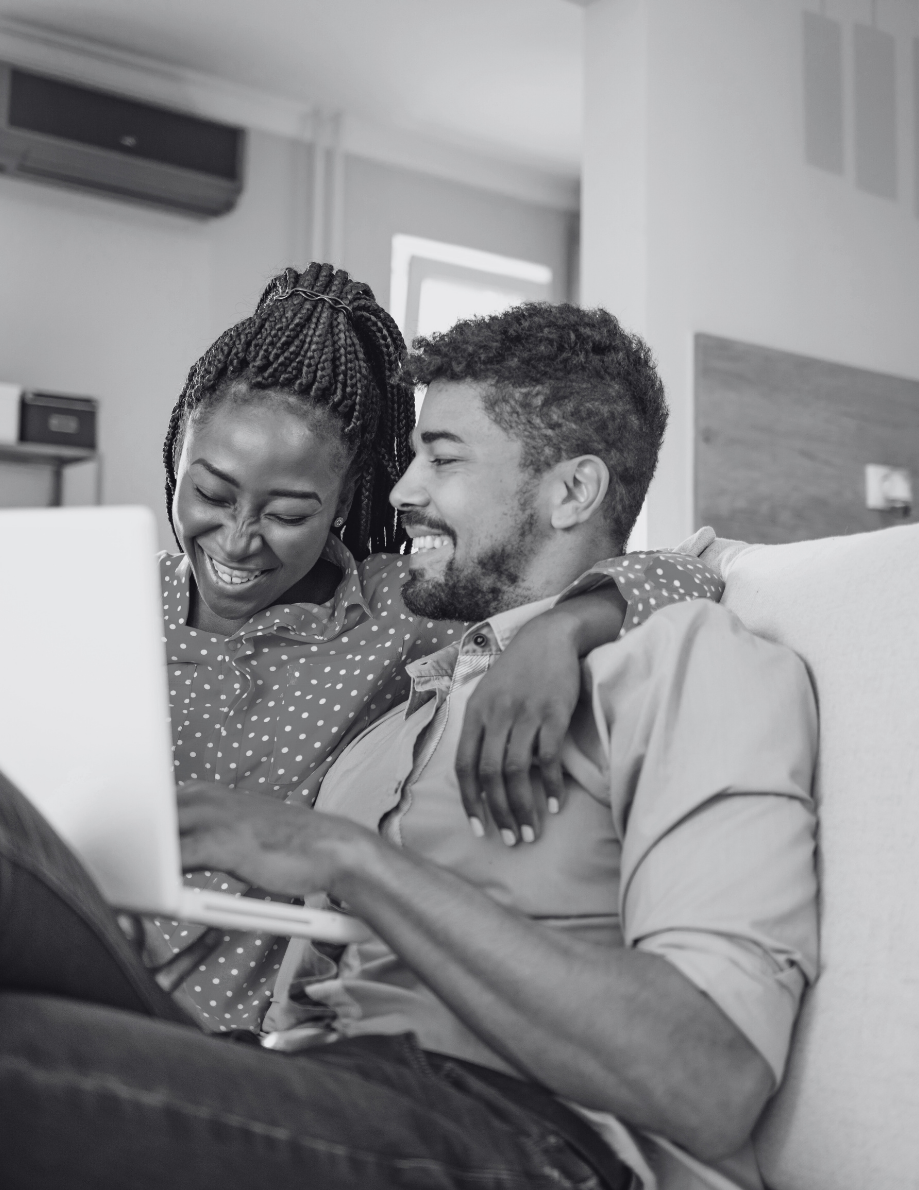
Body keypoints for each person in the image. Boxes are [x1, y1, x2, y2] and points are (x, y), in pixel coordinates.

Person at [0, 303, 815, 1190]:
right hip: (319, 1077)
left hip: (526, 1133)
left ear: (572, 491)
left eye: (444, 457)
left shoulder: (680, 659)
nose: (399, 491)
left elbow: (712, 1084)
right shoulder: (401, 721)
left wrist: (345, 858)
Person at [150, 262, 723, 1030]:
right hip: (76, 951)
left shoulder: (401, 606)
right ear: (175, 459)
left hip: (227, 1028)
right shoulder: (108, 603)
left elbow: (697, 569)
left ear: (345, 499)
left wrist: (570, 623)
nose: (238, 539)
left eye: (288, 512)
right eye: (211, 494)